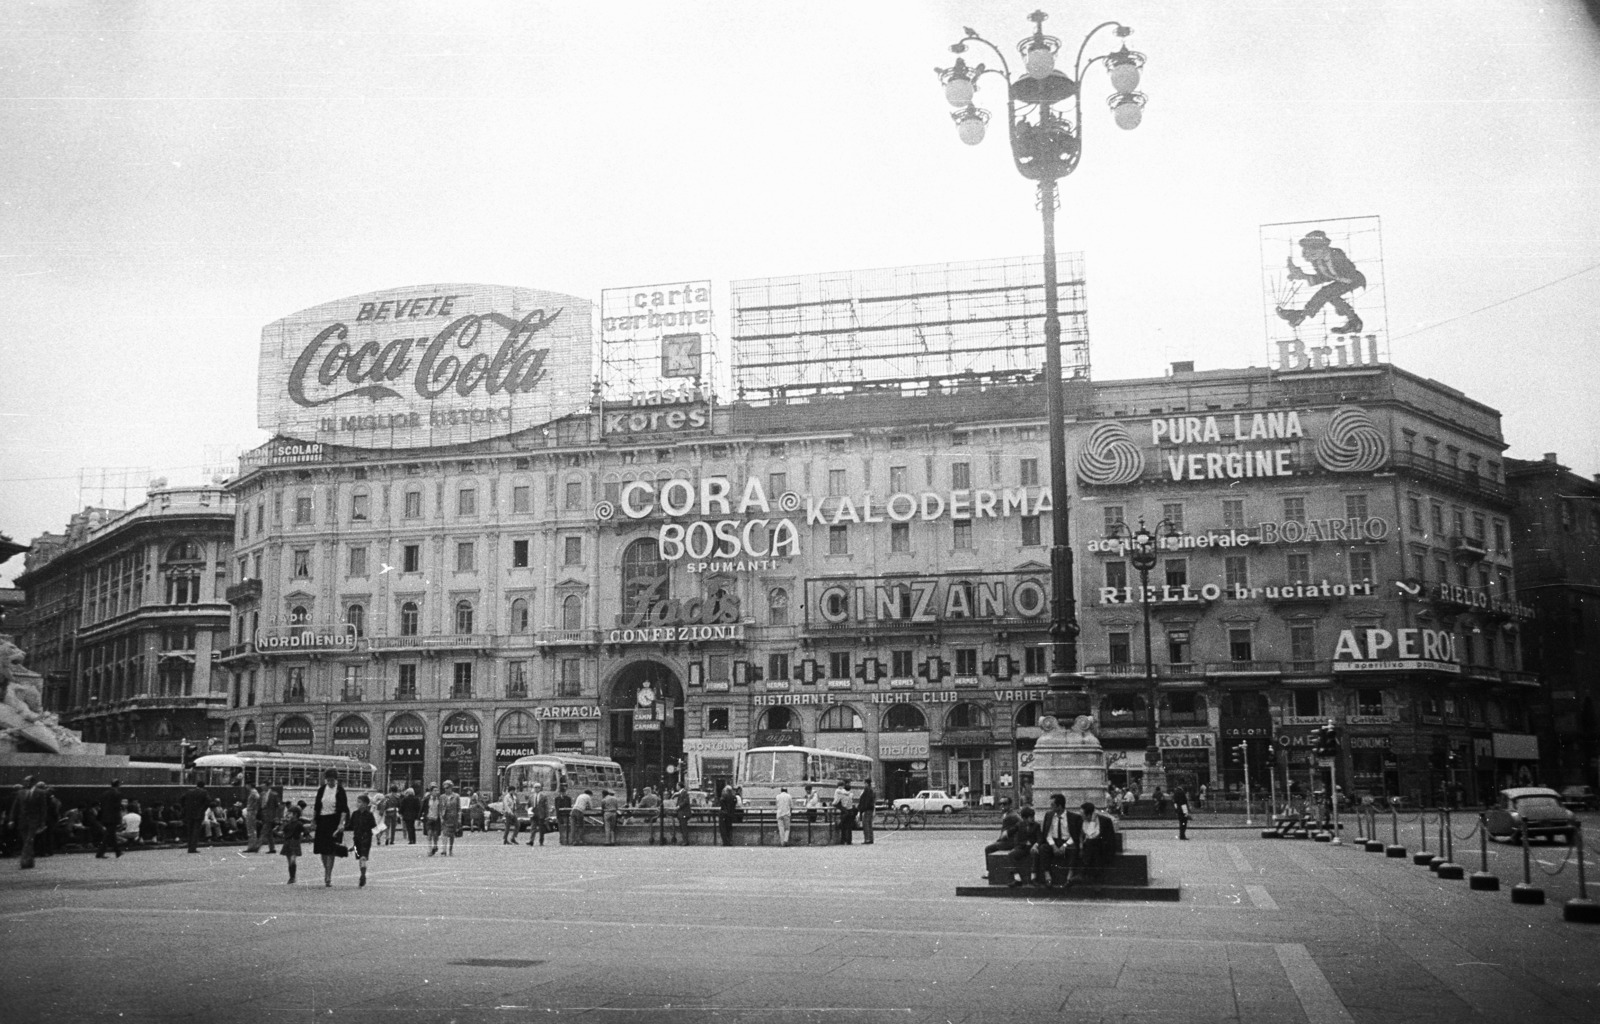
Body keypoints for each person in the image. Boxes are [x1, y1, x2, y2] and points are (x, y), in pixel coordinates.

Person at [1277, 229, 1367, 334]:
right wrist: (1303, 276)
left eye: (1313, 248)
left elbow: (1348, 271)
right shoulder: (1318, 261)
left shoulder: (1336, 254)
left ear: (1324, 247)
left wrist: (1337, 280)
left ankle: (1300, 315)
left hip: (1354, 279)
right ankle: (1355, 323)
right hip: (1341, 282)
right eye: (1307, 249)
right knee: (1331, 296)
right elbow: (1324, 277)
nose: (1308, 253)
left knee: (1326, 293)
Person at [312, 768, 350, 887]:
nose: (330, 782)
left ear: (336, 780)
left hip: (333, 821)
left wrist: (341, 823)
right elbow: (317, 806)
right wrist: (313, 820)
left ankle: (328, 874)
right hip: (322, 821)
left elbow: (343, 809)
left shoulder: (340, 790)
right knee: (322, 849)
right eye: (328, 780)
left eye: (332, 780)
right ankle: (326, 869)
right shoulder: (322, 789)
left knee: (331, 849)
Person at [1037, 794, 1076, 886]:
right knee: (1043, 848)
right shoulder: (1049, 815)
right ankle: (1047, 875)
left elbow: (1074, 835)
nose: (1050, 807)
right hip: (1054, 841)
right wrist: (1053, 845)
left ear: (1059, 806)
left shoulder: (1072, 817)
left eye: (1052, 805)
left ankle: (1070, 876)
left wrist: (1065, 845)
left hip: (1066, 842)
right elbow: (1048, 833)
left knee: (1074, 849)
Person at [1075, 801, 1118, 880]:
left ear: (1089, 815)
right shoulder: (1081, 821)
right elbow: (1082, 836)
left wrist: (1092, 821)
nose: (1080, 815)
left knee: (1091, 842)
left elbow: (1091, 835)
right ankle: (1091, 875)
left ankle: (1083, 872)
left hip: (1102, 847)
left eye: (1082, 814)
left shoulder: (1105, 821)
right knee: (1090, 844)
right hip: (1088, 847)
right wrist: (1081, 844)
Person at [11, 776, 46, 869]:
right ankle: (30, 861)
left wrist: (42, 822)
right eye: (25, 781)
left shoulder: (40, 793)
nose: (25, 783)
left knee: (28, 841)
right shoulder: (20, 793)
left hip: (34, 821)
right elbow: (15, 807)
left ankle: (24, 861)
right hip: (22, 821)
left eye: (27, 781)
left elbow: (43, 808)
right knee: (26, 841)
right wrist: (11, 819)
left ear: (32, 782)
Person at [982, 799, 1021, 879]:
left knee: (988, 849)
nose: (1002, 806)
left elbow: (1004, 835)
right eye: (1000, 804)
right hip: (1015, 841)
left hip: (1011, 842)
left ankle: (989, 872)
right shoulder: (1012, 814)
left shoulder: (1009, 817)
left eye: (1004, 804)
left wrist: (998, 842)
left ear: (1010, 805)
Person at [1008, 807, 1044, 887]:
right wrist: (1023, 843)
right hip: (1022, 848)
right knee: (1011, 855)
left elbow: (1040, 838)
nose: (1033, 818)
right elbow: (1016, 837)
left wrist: (1036, 845)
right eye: (1031, 817)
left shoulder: (1036, 825)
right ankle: (1017, 879)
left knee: (1035, 854)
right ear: (1024, 818)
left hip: (1032, 848)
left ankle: (1033, 878)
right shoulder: (1019, 825)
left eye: (1033, 816)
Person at [348, 793, 377, 888]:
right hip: (357, 839)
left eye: (359, 802)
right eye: (357, 802)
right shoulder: (355, 814)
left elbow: (373, 825)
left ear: (365, 804)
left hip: (365, 838)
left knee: (362, 857)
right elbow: (350, 825)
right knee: (361, 858)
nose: (357, 803)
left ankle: (363, 875)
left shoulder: (368, 814)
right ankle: (362, 873)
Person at [180, 777, 209, 854]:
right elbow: (208, 802)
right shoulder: (204, 792)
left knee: (189, 831)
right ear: (203, 786)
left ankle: (189, 847)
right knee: (196, 831)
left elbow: (182, 799)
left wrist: (185, 807)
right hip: (198, 814)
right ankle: (193, 848)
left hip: (189, 813)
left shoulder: (189, 791)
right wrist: (202, 810)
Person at [96, 779, 124, 860]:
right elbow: (117, 806)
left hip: (105, 816)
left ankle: (117, 851)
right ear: (118, 785)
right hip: (113, 817)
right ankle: (100, 853)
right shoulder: (117, 794)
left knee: (110, 834)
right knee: (108, 835)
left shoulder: (105, 793)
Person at [280, 804, 305, 884]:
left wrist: (305, 836)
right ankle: (292, 877)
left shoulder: (299, 824)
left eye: (290, 813)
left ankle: (293, 877)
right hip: (287, 842)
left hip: (294, 842)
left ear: (295, 814)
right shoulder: (287, 824)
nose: (288, 815)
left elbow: (304, 831)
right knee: (289, 861)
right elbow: (283, 833)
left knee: (292, 860)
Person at [439, 781, 460, 856]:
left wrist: (459, 818)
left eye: (447, 788)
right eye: (444, 788)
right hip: (445, 817)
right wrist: (441, 817)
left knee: (451, 835)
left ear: (451, 788)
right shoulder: (442, 797)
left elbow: (458, 808)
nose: (446, 789)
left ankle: (450, 850)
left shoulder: (456, 796)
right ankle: (444, 850)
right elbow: (440, 808)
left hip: (453, 817)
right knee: (444, 833)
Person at [422, 784, 443, 856]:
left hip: (436, 819)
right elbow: (422, 808)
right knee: (429, 833)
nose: (436, 792)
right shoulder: (427, 799)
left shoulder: (439, 800)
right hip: (429, 819)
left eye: (437, 790)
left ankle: (435, 845)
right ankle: (429, 850)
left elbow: (441, 809)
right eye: (434, 790)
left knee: (436, 834)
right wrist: (419, 818)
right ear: (431, 792)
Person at [243, 782, 263, 853]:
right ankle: (252, 846)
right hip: (252, 811)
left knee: (251, 829)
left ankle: (251, 846)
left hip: (251, 811)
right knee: (251, 829)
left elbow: (258, 799)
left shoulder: (253, 792)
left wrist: (255, 807)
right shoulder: (253, 792)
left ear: (249, 785)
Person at [833, 780, 855, 845]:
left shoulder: (839, 793)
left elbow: (836, 801)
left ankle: (843, 840)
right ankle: (849, 841)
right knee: (849, 827)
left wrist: (833, 804)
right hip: (850, 810)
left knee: (843, 826)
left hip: (845, 810)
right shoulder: (850, 794)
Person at [262, 787, 283, 854]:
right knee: (269, 833)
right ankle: (272, 848)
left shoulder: (274, 794)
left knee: (265, 831)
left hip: (271, 816)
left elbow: (278, 806)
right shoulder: (263, 794)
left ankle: (256, 846)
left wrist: (277, 817)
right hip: (266, 816)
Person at [857, 780, 877, 845]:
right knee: (869, 824)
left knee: (866, 824)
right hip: (870, 809)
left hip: (867, 809)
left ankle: (867, 839)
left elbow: (865, 801)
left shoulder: (867, 790)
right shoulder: (871, 790)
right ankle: (870, 838)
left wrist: (862, 809)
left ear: (866, 783)